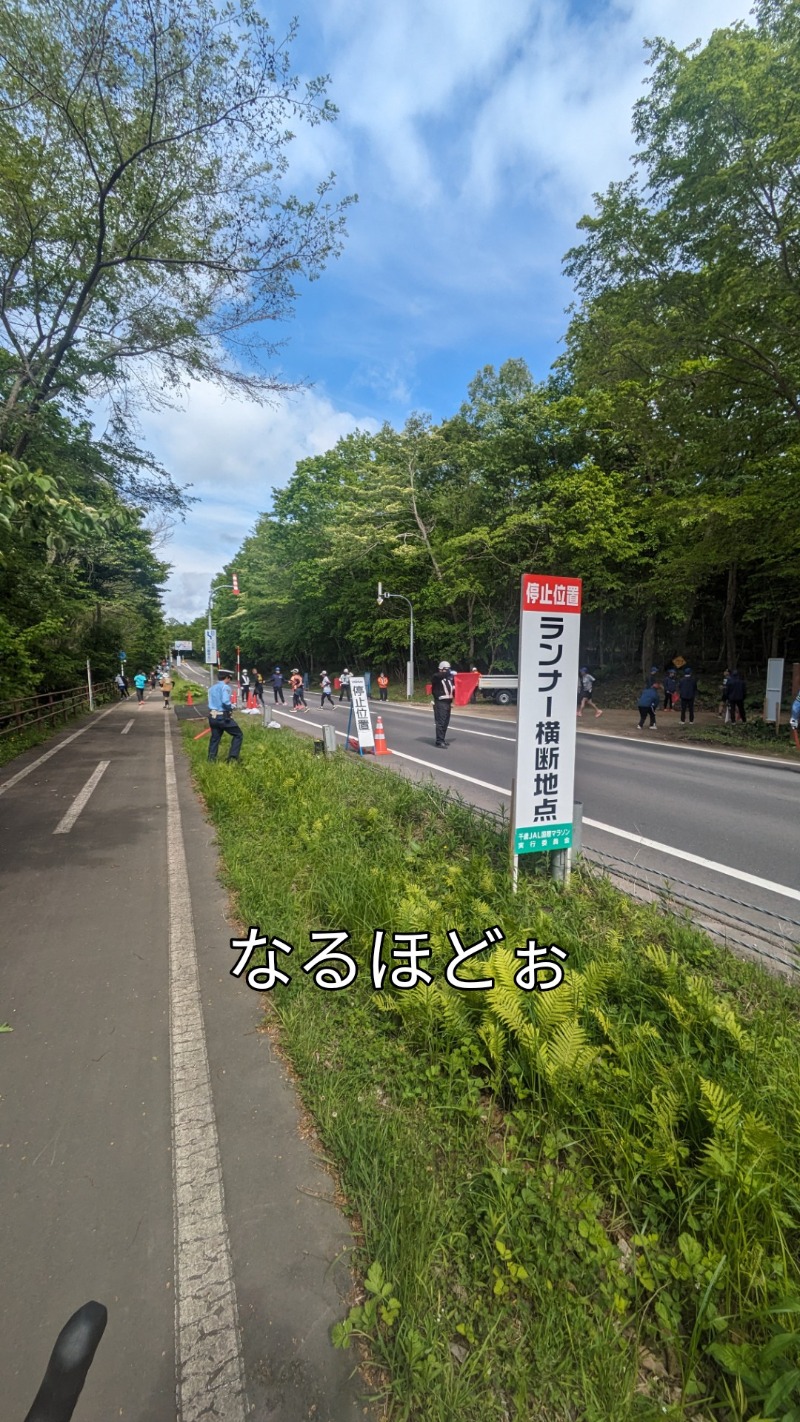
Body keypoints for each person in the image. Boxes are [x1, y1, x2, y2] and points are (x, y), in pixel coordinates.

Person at [207, 671, 243, 763]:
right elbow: (225, 701)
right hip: (222, 717)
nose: (230, 680)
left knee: (215, 738)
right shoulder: (225, 687)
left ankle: (211, 759)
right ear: (227, 677)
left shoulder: (211, 688)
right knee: (238, 734)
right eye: (230, 678)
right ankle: (232, 758)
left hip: (212, 716)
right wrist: (231, 707)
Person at [431, 660, 454, 747]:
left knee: (445, 723)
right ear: (441, 669)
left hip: (448, 703)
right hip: (440, 703)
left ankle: (442, 739)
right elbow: (438, 676)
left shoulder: (449, 679)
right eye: (446, 669)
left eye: (448, 669)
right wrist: (449, 673)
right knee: (440, 722)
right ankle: (439, 741)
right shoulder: (436, 677)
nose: (448, 671)